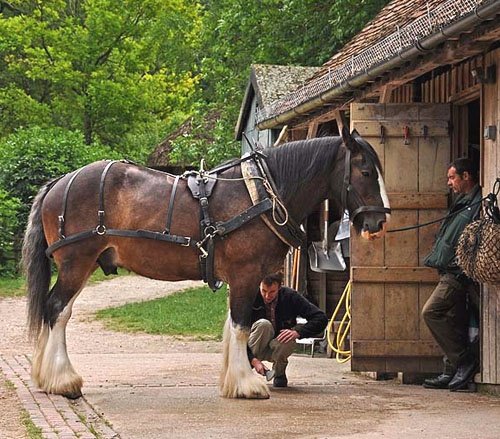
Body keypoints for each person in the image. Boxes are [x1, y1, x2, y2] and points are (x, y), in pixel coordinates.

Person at [422, 158, 482, 391]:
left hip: (457, 275)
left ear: (466, 176)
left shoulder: (478, 203)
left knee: (431, 312)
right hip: (447, 270)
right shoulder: (464, 202)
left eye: (452, 177)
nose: (449, 182)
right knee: (452, 321)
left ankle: (465, 362)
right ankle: (451, 370)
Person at [247, 272, 328, 388]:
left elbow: (321, 318)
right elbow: (237, 333)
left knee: (289, 337)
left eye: (272, 292)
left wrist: (298, 332)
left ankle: (279, 373)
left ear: (279, 288)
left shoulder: (290, 296)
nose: (267, 296)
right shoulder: (250, 298)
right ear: (259, 285)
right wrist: (252, 360)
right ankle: (243, 371)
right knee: (264, 325)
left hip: (277, 345)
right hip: (254, 344)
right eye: (264, 291)